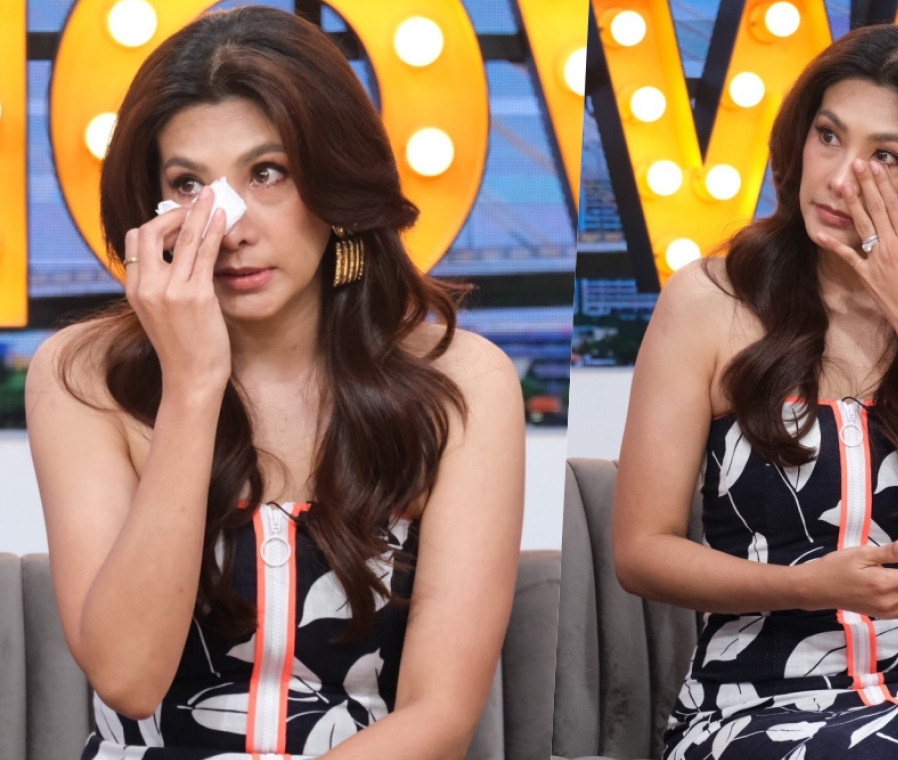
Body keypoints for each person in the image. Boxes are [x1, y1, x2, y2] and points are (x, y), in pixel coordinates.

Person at [24, 7, 524, 759]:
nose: (229, 226)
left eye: (268, 173)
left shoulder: (462, 381)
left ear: (334, 186)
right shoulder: (81, 376)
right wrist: (193, 383)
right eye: (188, 184)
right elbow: (128, 679)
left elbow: (441, 715)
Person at [612, 23, 898, 760]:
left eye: (886, 156)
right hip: (751, 706)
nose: (842, 178)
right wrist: (808, 585)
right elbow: (640, 551)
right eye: (828, 136)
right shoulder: (710, 302)